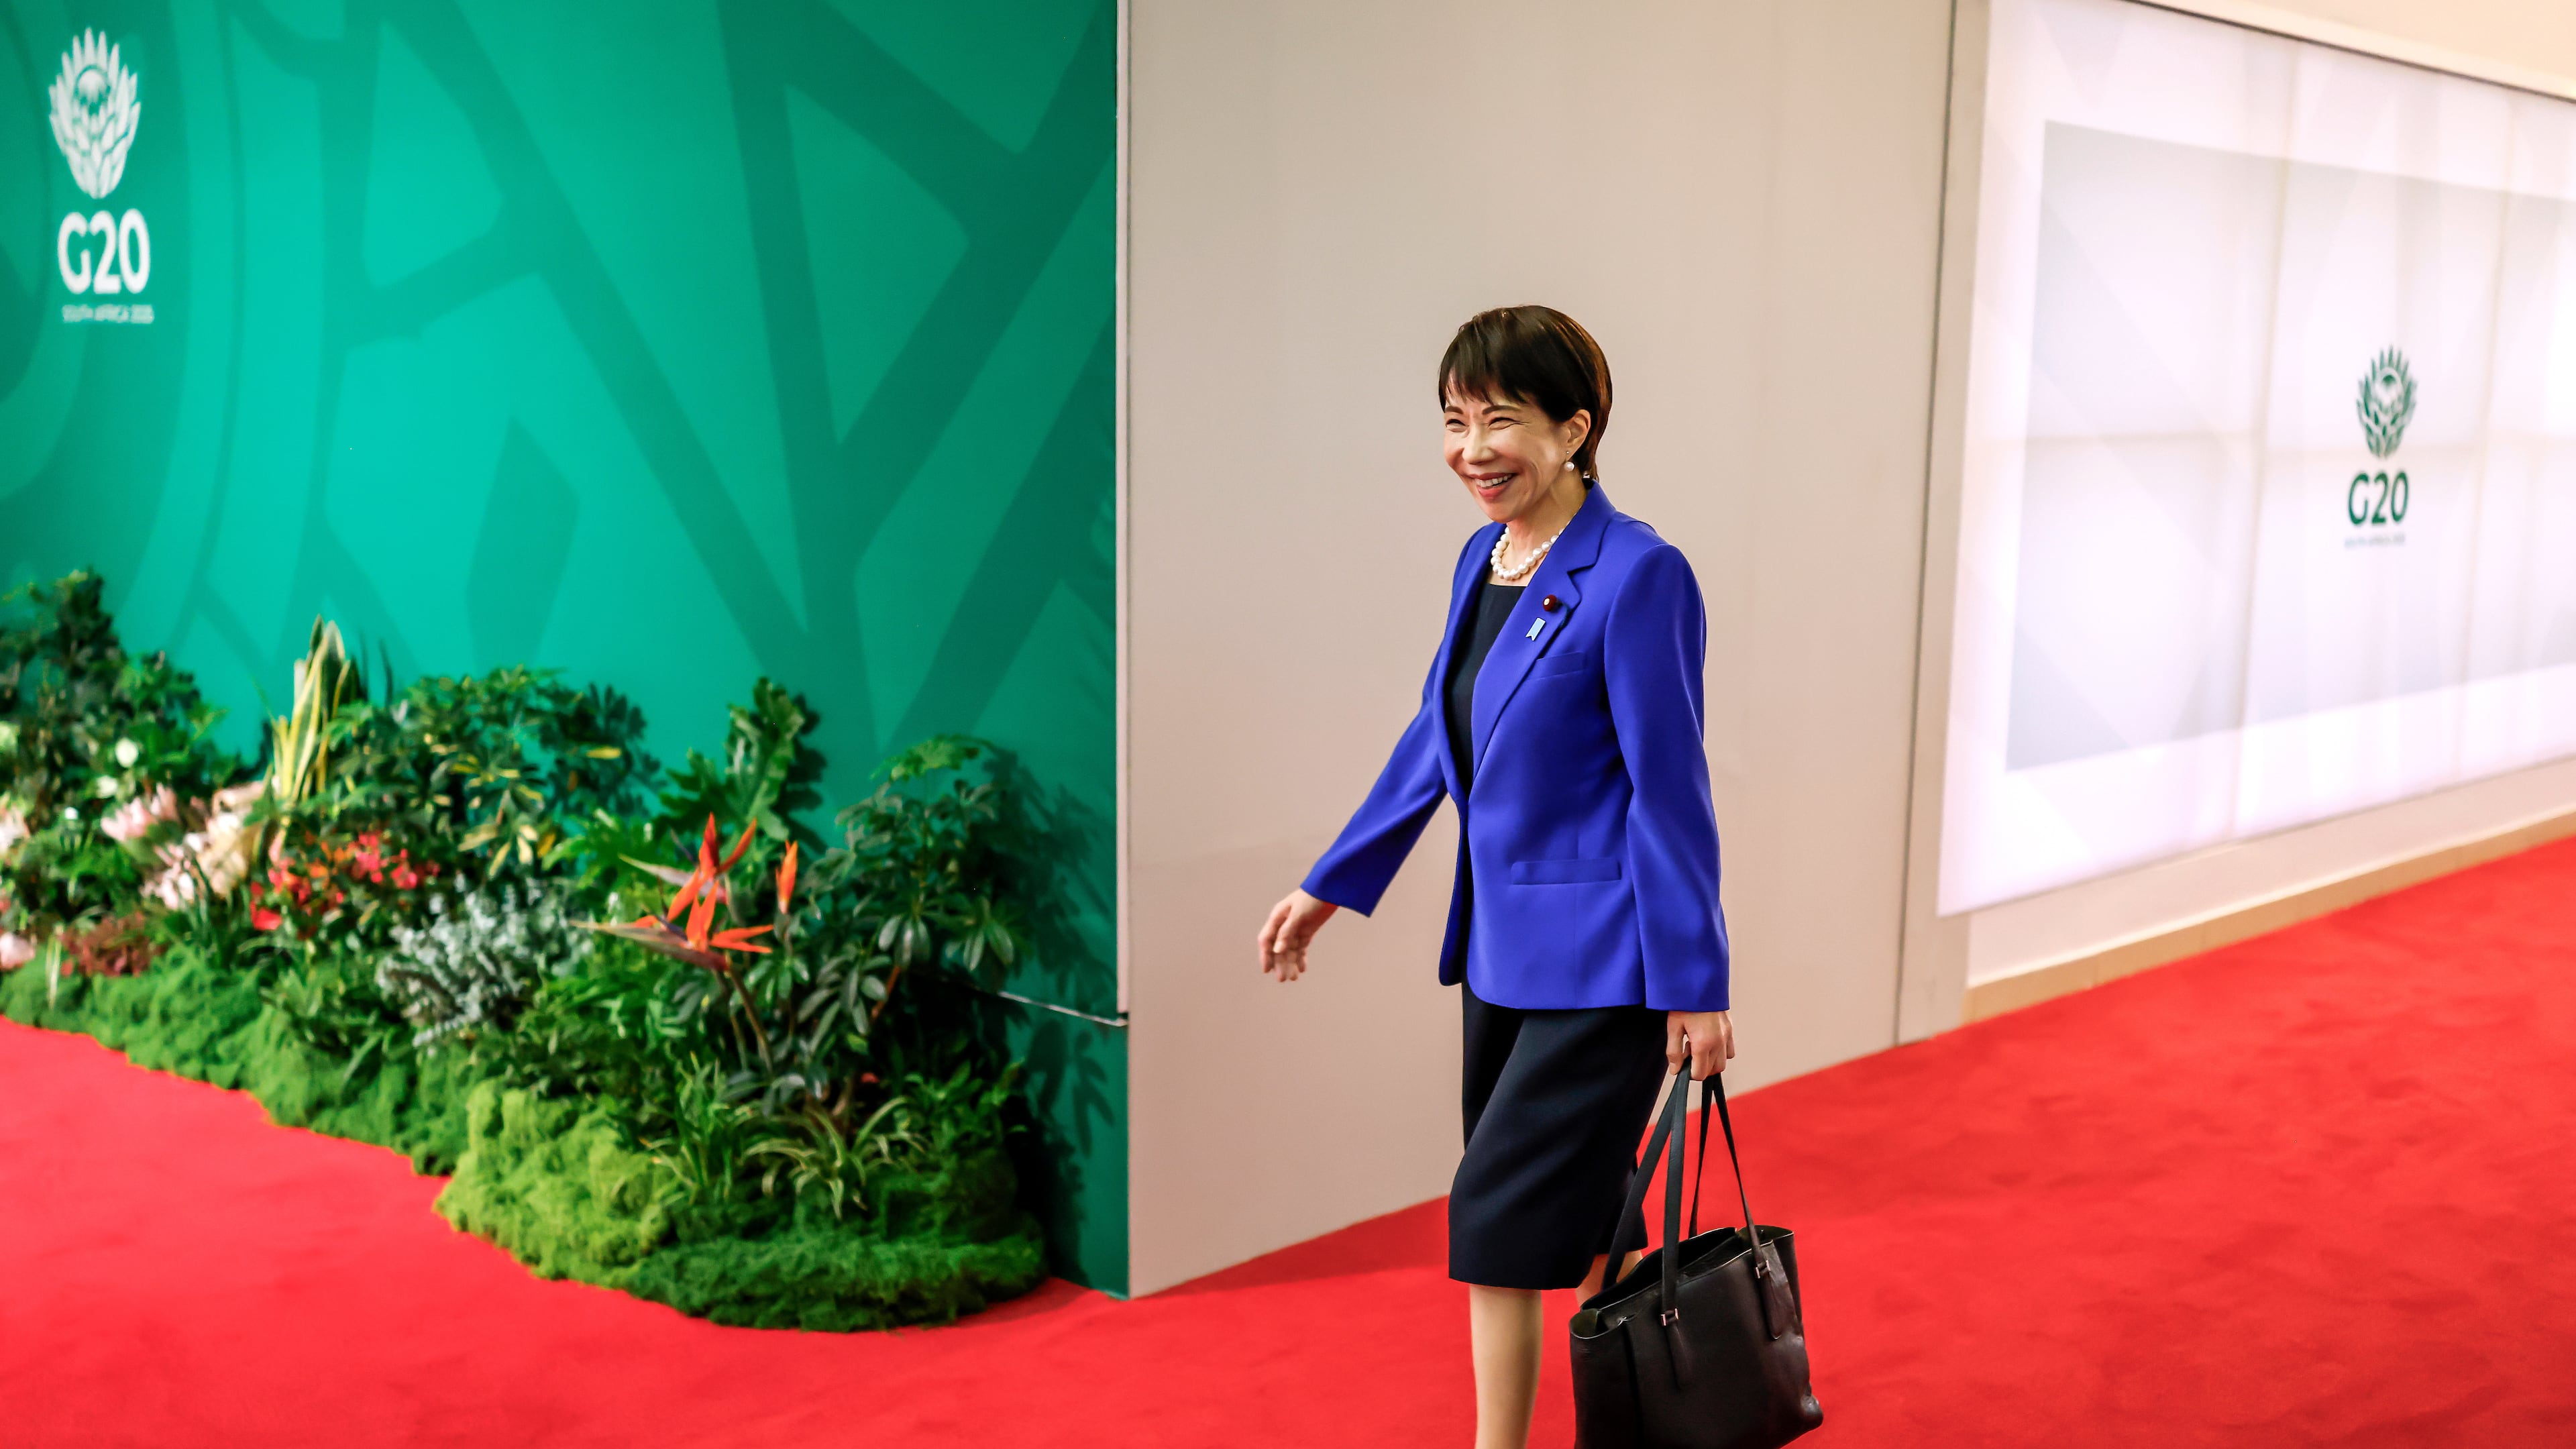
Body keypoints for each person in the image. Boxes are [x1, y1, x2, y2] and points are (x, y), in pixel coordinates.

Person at [1256, 305, 1735, 1449]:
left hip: (1606, 966)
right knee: (1565, 1215)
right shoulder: (1487, 555)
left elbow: (1671, 794)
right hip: (1501, 954)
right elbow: (1439, 732)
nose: (1473, 449)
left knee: (1497, 1212)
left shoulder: (1639, 575)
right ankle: (1632, 1411)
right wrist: (1335, 881)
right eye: (1455, 421)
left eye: (1502, 421)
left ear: (1576, 429)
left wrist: (1698, 982)